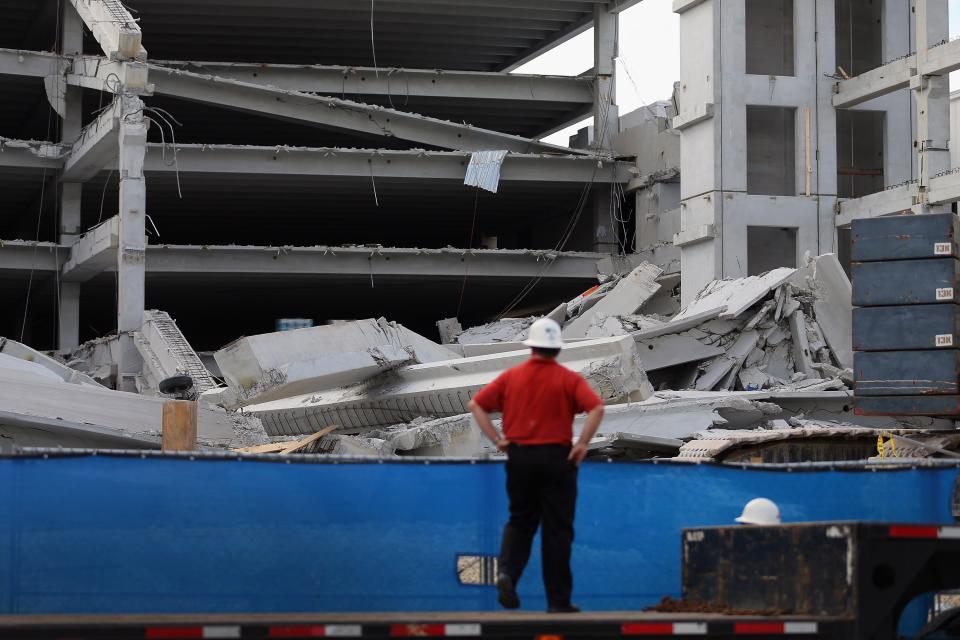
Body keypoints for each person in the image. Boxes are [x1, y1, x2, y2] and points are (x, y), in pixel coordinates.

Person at [468, 317, 605, 614]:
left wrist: (497, 439)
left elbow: (476, 404)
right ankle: (558, 602)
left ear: (531, 347)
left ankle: (506, 573)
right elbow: (597, 407)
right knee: (557, 529)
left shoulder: (511, 377)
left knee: (520, 520)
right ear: (556, 349)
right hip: (558, 458)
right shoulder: (569, 379)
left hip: (520, 457)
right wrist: (582, 443)